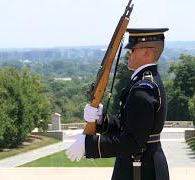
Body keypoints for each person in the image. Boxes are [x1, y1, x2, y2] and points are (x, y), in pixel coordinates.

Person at [66, 28, 170, 180]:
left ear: (146, 53)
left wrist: (89, 144)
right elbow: (126, 124)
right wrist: (102, 120)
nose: (129, 54)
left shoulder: (142, 90)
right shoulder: (144, 83)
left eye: (133, 50)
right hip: (141, 167)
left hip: (140, 171)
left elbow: (131, 142)